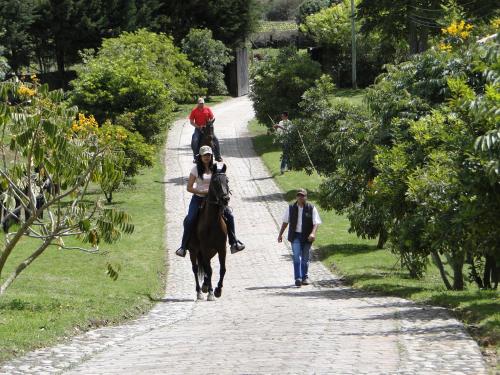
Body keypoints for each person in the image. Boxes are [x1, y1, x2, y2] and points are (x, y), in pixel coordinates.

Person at [176, 145, 245, 257]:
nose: (207, 157)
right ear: (200, 157)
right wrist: (203, 192)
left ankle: (234, 242)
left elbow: (222, 182)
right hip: (198, 198)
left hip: (215, 200)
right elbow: (189, 187)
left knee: (230, 216)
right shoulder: (195, 169)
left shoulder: (216, 168)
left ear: (211, 156)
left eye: (209, 155)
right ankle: (183, 246)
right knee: (190, 219)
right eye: (204, 155)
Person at [277, 188, 321, 287]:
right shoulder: (291, 208)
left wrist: (313, 233)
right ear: (296, 197)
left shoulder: (311, 208)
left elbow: (316, 222)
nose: (300, 197)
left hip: (307, 236)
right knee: (297, 256)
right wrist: (280, 234)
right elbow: (285, 221)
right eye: (299, 195)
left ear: (306, 197)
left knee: (305, 258)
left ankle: (304, 277)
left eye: (302, 196)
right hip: (295, 235)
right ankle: (298, 278)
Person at [189, 97, 222, 162]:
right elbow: (191, 122)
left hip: (207, 128)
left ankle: (218, 156)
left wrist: (209, 123)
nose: (201, 105)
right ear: (197, 103)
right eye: (200, 103)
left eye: (202, 103)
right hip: (198, 129)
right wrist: (198, 127)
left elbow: (212, 117)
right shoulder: (194, 111)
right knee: (195, 140)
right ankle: (196, 157)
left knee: (216, 140)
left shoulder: (207, 109)